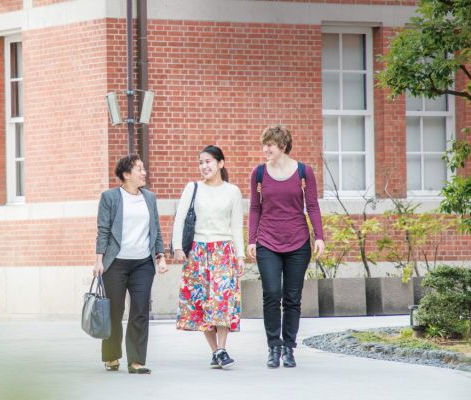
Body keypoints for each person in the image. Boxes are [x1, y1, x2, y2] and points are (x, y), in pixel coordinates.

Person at [247, 125, 325, 368]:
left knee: (292, 298)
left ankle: (289, 348)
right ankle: (274, 346)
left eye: (269, 145)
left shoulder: (304, 172)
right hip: (267, 242)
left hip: (298, 242)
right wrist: (252, 239)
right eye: (264, 144)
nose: (265, 149)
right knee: (271, 294)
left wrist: (319, 236)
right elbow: (254, 207)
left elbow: (312, 205)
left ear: (282, 145)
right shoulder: (259, 173)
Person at [94, 154, 168, 374]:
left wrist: (160, 256)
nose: (144, 172)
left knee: (140, 311)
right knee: (115, 312)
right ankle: (111, 355)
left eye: (143, 168)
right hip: (115, 263)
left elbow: (156, 230)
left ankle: (136, 360)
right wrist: (99, 261)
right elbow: (103, 231)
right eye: (139, 169)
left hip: (142, 264)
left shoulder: (150, 198)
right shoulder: (110, 197)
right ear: (126, 175)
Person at [173, 145, 245, 370]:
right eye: (201, 162)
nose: (204, 166)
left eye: (208, 162)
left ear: (220, 164)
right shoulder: (192, 188)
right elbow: (180, 219)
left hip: (223, 251)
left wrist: (240, 255)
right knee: (203, 303)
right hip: (198, 251)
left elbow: (236, 226)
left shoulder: (232, 191)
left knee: (222, 302)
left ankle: (222, 349)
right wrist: (177, 247)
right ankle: (216, 351)